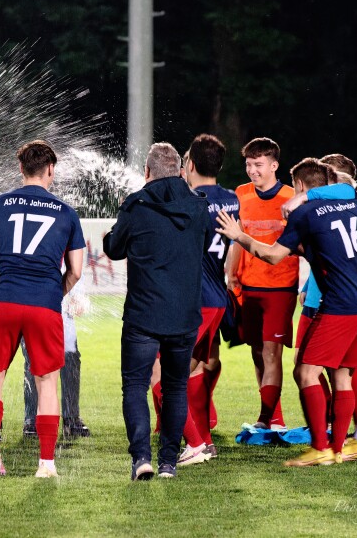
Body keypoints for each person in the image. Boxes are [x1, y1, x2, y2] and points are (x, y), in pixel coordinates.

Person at [216, 157, 357, 466]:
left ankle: (320, 448)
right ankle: (343, 448)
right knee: (343, 374)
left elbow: (273, 256)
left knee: (305, 372)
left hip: (340, 306)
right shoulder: (354, 205)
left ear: (299, 186)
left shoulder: (307, 213)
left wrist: (239, 236)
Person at [103, 142, 211, 480]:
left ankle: (141, 459)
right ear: (180, 171)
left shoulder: (137, 205)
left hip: (143, 314)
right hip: (184, 314)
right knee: (176, 387)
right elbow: (201, 246)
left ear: (147, 172)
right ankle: (167, 463)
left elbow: (113, 248)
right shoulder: (198, 206)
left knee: (135, 386)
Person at [0, 139, 85, 478]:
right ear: (50, 169)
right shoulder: (66, 212)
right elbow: (77, 270)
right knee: (47, 382)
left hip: (6, 298)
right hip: (45, 303)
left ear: (21, 168)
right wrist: (55, 293)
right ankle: (46, 464)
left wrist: (0, 291)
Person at [173, 133, 239, 465]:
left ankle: (195, 444)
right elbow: (235, 243)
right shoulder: (232, 200)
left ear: (192, 164)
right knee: (196, 369)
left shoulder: (189, 201)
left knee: (167, 374)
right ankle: (206, 440)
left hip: (194, 299)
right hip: (217, 296)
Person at [224, 137, 299, 431]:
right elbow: (236, 239)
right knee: (257, 351)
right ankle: (271, 415)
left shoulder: (293, 198)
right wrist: (231, 275)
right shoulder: (241, 194)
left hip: (281, 287)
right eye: (248, 164)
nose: (252, 170)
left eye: (258, 164)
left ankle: (269, 418)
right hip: (249, 286)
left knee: (272, 351)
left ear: (274, 165)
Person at [21, 277, 91, 440]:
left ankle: (71, 418)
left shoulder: (67, 255)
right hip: (34, 309)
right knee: (34, 363)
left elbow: (76, 275)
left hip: (61, 317)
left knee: (71, 361)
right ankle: (32, 420)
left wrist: (78, 298)